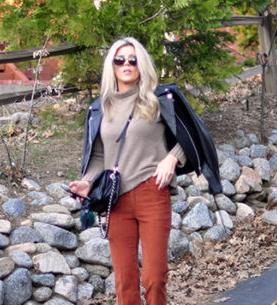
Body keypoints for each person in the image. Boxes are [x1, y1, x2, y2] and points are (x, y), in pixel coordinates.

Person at [67, 37, 221, 305]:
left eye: (133, 59)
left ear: (142, 65)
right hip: (116, 200)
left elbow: (191, 136)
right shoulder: (100, 108)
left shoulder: (158, 100)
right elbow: (99, 155)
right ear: (111, 66)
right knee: (124, 280)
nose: (126, 64)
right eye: (120, 60)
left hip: (153, 192)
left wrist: (171, 159)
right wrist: (87, 182)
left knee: (154, 276)